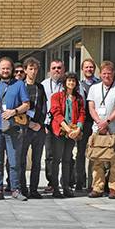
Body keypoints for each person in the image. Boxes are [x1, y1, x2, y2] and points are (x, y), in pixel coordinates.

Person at [0, 57, 30, 201]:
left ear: (12, 69)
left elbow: (26, 105)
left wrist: (14, 111)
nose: (5, 70)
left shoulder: (20, 85)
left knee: (14, 161)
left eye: (8, 68)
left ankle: (16, 189)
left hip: (13, 128)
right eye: (3, 68)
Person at [86, 61, 115, 199]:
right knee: (97, 160)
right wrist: (99, 122)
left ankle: (114, 188)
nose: (107, 76)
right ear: (100, 74)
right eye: (104, 73)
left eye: (109, 73)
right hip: (98, 130)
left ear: (114, 73)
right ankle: (97, 187)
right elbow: (91, 108)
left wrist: (107, 121)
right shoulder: (94, 88)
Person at [49, 72, 85, 198]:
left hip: (73, 132)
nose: (71, 83)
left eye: (73, 81)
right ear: (65, 83)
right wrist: (67, 128)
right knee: (56, 159)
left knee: (67, 159)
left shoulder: (78, 98)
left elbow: (82, 114)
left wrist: (78, 129)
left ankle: (66, 186)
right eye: (68, 81)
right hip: (60, 131)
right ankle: (55, 188)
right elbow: (56, 112)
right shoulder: (57, 96)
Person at [19, 58, 47, 199]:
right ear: (25, 70)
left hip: (39, 129)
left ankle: (34, 189)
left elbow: (43, 108)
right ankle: (23, 188)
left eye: (35, 69)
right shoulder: (20, 87)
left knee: (36, 161)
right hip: (24, 128)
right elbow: (17, 109)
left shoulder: (40, 87)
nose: (33, 71)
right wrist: (29, 123)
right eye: (30, 69)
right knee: (22, 160)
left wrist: (40, 124)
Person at [75, 58, 101, 191]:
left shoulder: (101, 84)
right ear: (82, 69)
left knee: (97, 153)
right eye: (86, 67)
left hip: (98, 122)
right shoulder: (78, 85)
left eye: (91, 67)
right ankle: (79, 181)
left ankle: (94, 183)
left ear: (94, 69)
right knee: (80, 153)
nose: (89, 69)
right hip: (83, 123)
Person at [41, 59, 66, 193]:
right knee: (50, 155)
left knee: (65, 156)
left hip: (65, 125)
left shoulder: (68, 84)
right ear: (50, 70)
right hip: (49, 124)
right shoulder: (44, 85)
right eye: (54, 68)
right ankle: (51, 182)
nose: (56, 70)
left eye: (59, 68)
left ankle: (67, 182)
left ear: (64, 69)